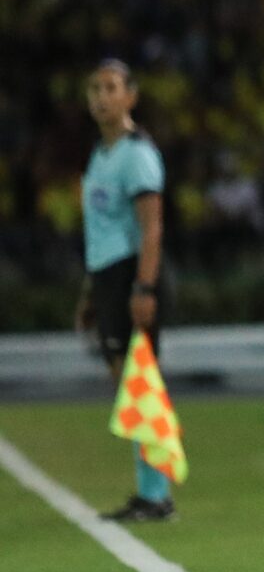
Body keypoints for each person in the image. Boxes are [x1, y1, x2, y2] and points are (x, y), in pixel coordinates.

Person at [74, 60, 175, 522]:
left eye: (111, 88)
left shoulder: (136, 154)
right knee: (128, 386)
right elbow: (99, 229)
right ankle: (150, 490)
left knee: (141, 385)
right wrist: (90, 292)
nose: (101, 97)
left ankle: (157, 495)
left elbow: (151, 227)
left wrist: (144, 287)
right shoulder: (101, 153)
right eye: (95, 89)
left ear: (130, 97)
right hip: (109, 277)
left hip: (132, 274)